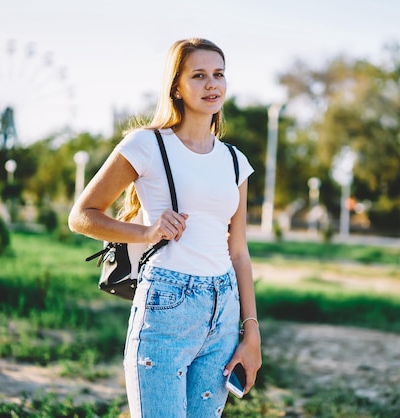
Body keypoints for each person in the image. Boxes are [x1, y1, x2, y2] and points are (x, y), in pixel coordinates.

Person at [68, 38, 262, 417]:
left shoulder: (235, 161)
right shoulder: (146, 144)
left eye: (219, 74)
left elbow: (238, 250)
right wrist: (146, 232)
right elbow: (82, 215)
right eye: (199, 75)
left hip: (223, 311)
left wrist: (250, 329)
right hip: (166, 306)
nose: (212, 84)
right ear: (176, 86)